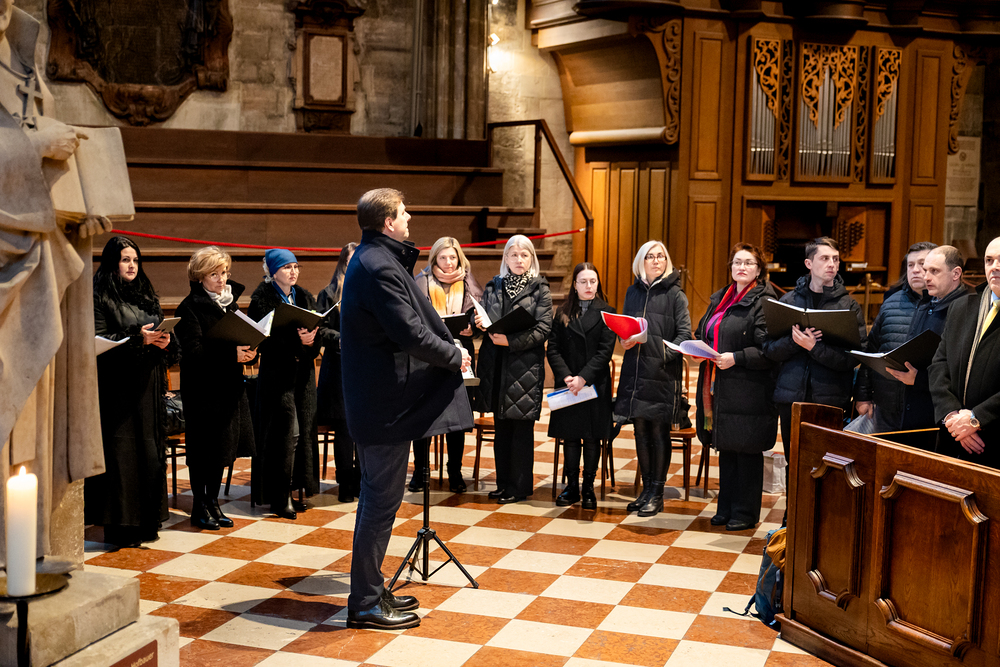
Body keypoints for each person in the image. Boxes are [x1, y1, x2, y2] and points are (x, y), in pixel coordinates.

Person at [0, 0, 107, 559]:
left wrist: (76, 216)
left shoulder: (20, 56)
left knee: (32, 427)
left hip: (36, 270)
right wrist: (34, 147)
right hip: (9, 275)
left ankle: (29, 554)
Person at [340, 188, 473, 629]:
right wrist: (454, 355)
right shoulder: (377, 265)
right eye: (403, 212)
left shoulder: (374, 257)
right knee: (379, 504)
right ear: (387, 222)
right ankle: (364, 603)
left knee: (379, 501)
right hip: (383, 406)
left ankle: (371, 590)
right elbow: (410, 333)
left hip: (380, 403)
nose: (409, 217)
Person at [86, 236, 176, 547]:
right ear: (113, 262)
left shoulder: (145, 294)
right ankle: (121, 527)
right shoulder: (99, 295)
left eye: (135, 260)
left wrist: (165, 341)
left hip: (147, 387)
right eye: (126, 259)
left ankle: (147, 521)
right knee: (121, 457)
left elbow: (159, 328)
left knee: (148, 454)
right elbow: (97, 340)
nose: (132, 265)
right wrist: (138, 339)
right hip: (116, 389)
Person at [763, 237, 867, 497]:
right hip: (791, 396)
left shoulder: (848, 305)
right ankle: (792, 515)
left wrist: (814, 348)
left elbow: (854, 358)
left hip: (830, 398)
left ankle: (820, 518)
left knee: (825, 465)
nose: (832, 264)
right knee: (794, 460)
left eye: (835, 259)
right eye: (825, 258)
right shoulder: (788, 300)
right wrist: (795, 342)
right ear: (809, 263)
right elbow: (769, 350)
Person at [694, 243, 778, 532]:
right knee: (728, 448)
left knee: (746, 450)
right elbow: (705, 331)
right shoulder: (721, 297)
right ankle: (726, 507)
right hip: (721, 386)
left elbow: (769, 348)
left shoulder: (764, 300)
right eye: (737, 262)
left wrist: (736, 357)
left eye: (748, 263)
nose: (742, 267)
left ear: (759, 269)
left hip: (749, 388)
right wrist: (698, 348)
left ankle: (745, 512)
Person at [174, 247, 257, 530]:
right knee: (203, 453)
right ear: (200, 277)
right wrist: (232, 355)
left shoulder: (229, 304)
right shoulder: (189, 308)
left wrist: (249, 353)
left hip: (228, 388)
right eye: (215, 274)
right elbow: (193, 353)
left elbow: (240, 338)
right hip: (203, 392)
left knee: (222, 450)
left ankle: (213, 502)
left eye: (224, 273)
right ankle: (199, 506)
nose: (222, 279)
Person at [614, 241, 691, 518]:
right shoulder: (632, 292)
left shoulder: (675, 294)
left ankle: (657, 494)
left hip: (661, 374)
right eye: (650, 256)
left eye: (661, 256)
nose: (656, 261)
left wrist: (661, 354)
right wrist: (624, 340)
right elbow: (626, 328)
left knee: (658, 433)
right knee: (640, 432)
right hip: (635, 372)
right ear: (641, 262)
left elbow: (684, 335)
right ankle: (645, 490)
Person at [475, 235, 553, 504]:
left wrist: (511, 341)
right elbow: (484, 317)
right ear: (506, 258)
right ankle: (503, 483)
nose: (519, 260)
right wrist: (478, 323)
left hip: (524, 367)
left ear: (532, 258)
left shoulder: (540, 288)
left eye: (524, 255)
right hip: (496, 365)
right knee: (502, 428)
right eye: (514, 255)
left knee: (520, 431)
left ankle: (518, 487)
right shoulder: (493, 286)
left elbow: (544, 329)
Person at [249, 248, 323, 520]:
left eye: (295, 266)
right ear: (272, 272)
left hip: (303, 375)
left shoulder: (303, 296)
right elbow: (263, 341)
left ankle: (296, 488)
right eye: (286, 267)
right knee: (285, 434)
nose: (293, 272)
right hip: (277, 377)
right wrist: (297, 341)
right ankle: (279, 496)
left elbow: (317, 330)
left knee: (302, 433)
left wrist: (312, 341)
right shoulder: (261, 299)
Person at [409, 237, 483, 493]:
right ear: (434, 259)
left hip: (460, 353)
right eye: (443, 257)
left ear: (459, 258)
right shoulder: (422, 281)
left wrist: (472, 327)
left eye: (453, 257)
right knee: (424, 414)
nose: (449, 262)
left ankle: (455, 471)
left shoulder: (469, 282)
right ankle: (420, 471)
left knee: (457, 417)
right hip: (429, 354)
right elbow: (413, 317)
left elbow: (478, 316)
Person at [546, 262, 616, 510]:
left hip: (594, 384)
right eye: (583, 281)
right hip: (569, 385)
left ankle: (588, 487)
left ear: (598, 284)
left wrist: (583, 378)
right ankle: (572, 486)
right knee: (571, 437)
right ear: (574, 285)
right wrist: (567, 376)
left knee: (592, 438)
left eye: (592, 281)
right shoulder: (562, 312)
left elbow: (605, 352)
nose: (588, 286)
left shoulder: (608, 312)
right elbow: (553, 349)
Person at [929, 237, 1000, 469]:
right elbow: (939, 365)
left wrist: (976, 419)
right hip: (952, 437)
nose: (994, 267)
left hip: (992, 440)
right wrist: (952, 416)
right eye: (989, 260)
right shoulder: (962, 307)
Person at [854, 242, 937, 432]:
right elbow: (871, 352)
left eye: (922, 264)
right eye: (910, 265)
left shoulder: (946, 305)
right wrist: (863, 396)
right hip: (886, 406)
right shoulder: (891, 303)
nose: (915, 270)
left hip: (925, 409)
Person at [316, 242, 361, 503]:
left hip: (365, 369)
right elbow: (320, 329)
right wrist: (341, 339)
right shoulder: (330, 293)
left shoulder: (372, 289)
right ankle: (345, 482)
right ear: (343, 262)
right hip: (339, 370)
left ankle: (361, 480)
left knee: (363, 427)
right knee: (344, 428)